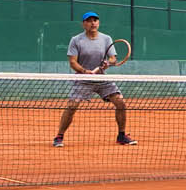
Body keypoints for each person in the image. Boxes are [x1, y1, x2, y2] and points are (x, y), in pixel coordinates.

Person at [54, 12, 134, 147]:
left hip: (102, 79)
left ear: (98, 22)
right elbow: (73, 62)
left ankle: (121, 135)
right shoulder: (76, 40)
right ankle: (59, 136)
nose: (93, 23)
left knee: (120, 102)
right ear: (83, 24)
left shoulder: (106, 39)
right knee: (72, 105)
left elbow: (113, 58)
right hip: (83, 79)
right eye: (89, 21)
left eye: (95, 20)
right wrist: (85, 71)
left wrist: (108, 62)